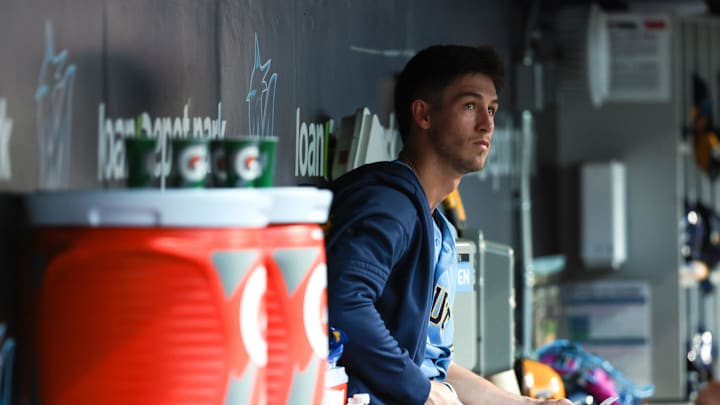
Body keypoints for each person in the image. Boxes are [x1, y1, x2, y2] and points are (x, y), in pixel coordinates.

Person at [325, 44, 573, 405]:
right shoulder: (389, 202)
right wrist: (422, 391)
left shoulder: (436, 225)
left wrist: (527, 404)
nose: (487, 123)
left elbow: (434, 367)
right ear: (423, 114)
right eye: (470, 106)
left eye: (491, 109)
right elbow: (343, 301)